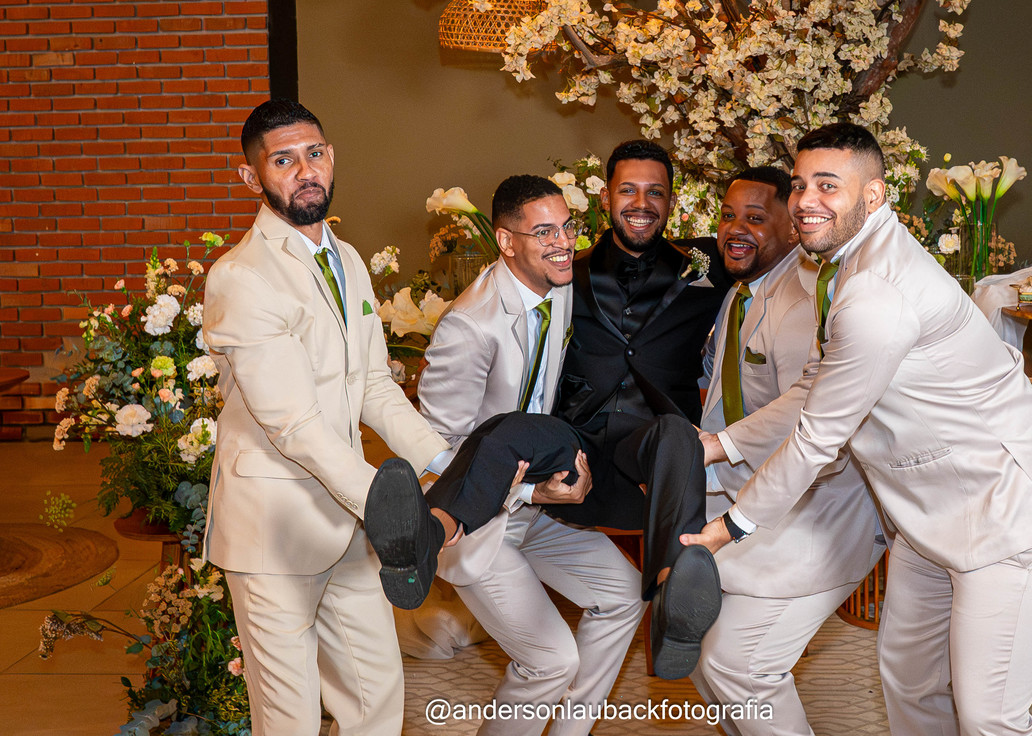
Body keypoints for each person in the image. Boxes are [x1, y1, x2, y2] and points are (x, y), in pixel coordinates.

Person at [684, 123, 1032, 736]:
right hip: (929, 513)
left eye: (829, 185)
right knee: (911, 683)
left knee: (991, 718)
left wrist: (731, 526)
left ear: (873, 195)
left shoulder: (876, 290)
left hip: (1011, 511)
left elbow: (820, 436)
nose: (805, 201)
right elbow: (816, 386)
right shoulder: (839, 265)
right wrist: (720, 444)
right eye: (799, 185)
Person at [202, 99, 450, 735]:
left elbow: (373, 385)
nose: (305, 170)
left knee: (376, 698)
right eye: (283, 161)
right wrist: (387, 505)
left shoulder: (348, 259)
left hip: (347, 521)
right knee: (290, 718)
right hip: (275, 530)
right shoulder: (243, 277)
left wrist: (446, 463)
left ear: (331, 157)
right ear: (252, 177)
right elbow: (294, 425)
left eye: (314, 154)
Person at [416, 174, 644, 736]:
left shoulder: (556, 288)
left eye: (567, 227)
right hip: (475, 519)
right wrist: (524, 490)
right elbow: (434, 453)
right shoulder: (469, 326)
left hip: (539, 508)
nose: (563, 242)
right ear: (506, 241)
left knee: (624, 595)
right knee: (551, 660)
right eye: (544, 232)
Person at [688, 166, 883, 736]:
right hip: (747, 496)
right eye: (728, 216)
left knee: (739, 665)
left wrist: (716, 451)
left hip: (814, 509)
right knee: (697, 645)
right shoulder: (742, 292)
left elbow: (812, 423)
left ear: (792, 226)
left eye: (755, 218)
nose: (735, 230)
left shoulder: (805, 307)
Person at [550, 138, 734, 678]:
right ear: (605, 197)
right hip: (578, 442)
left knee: (679, 434)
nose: (641, 202)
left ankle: (671, 602)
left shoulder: (707, 265)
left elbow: (772, 255)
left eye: (655, 192)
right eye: (628, 189)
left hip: (654, 450)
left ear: (672, 201)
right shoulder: (568, 269)